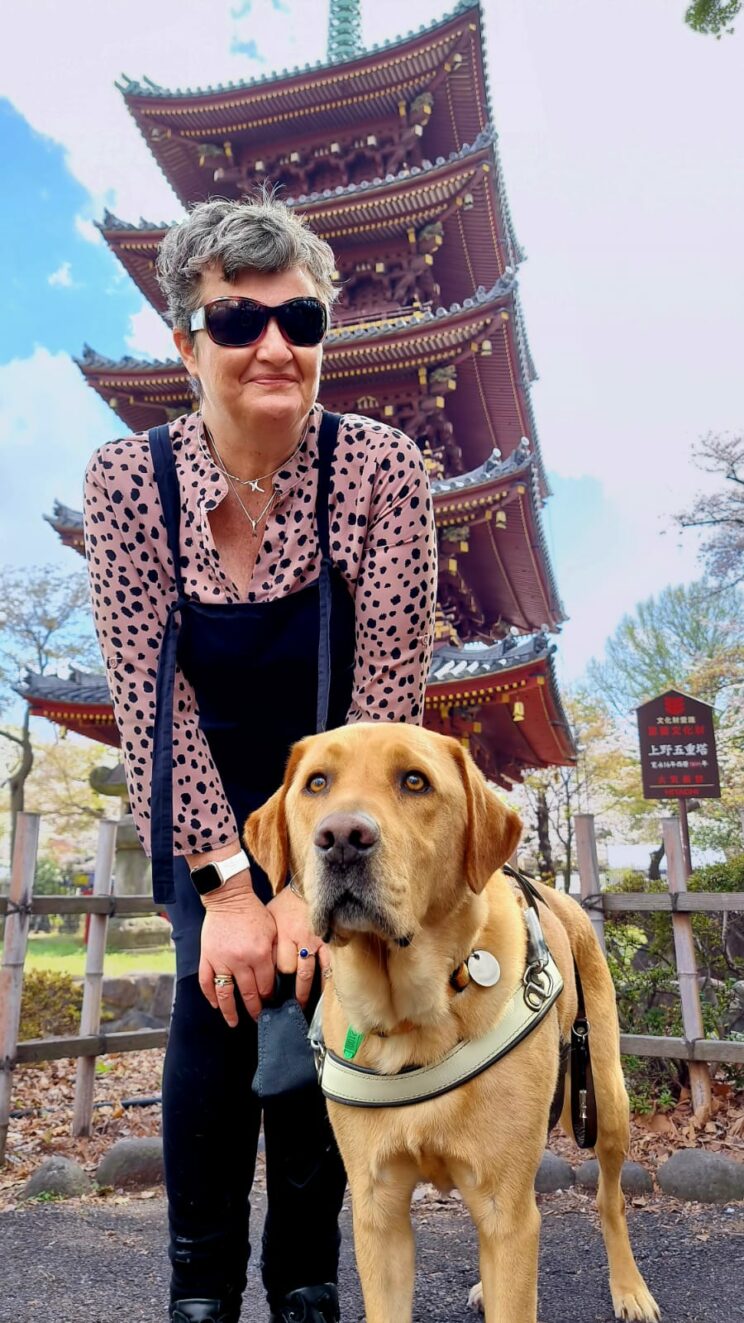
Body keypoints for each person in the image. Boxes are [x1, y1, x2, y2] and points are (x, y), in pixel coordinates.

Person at [83, 192, 437, 1323]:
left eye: (302, 322)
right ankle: (199, 1291)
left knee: (321, 1003)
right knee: (217, 1002)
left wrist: (301, 884)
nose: (274, 346)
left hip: (343, 802)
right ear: (186, 343)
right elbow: (148, 700)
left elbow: (386, 700)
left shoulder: (379, 471)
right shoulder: (130, 483)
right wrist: (236, 887)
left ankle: (305, 1282)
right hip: (202, 798)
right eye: (237, 323)